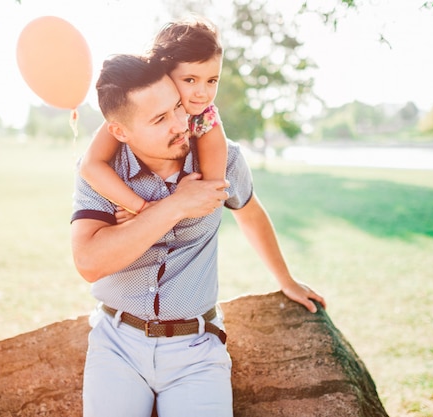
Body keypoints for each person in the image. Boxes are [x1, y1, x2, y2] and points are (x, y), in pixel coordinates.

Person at [70, 54, 326, 417]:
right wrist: (175, 206)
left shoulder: (222, 161)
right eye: (160, 119)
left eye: (176, 106)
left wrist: (286, 279)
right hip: (116, 345)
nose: (180, 124)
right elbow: (89, 262)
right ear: (120, 132)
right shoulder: (101, 173)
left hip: (197, 349)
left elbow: (250, 213)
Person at [79, 16, 227, 217]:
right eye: (190, 80)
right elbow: (90, 166)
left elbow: (213, 190)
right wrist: (140, 208)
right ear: (164, 74)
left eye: (212, 80)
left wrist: (171, 206)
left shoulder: (206, 118)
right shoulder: (131, 113)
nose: (203, 93)